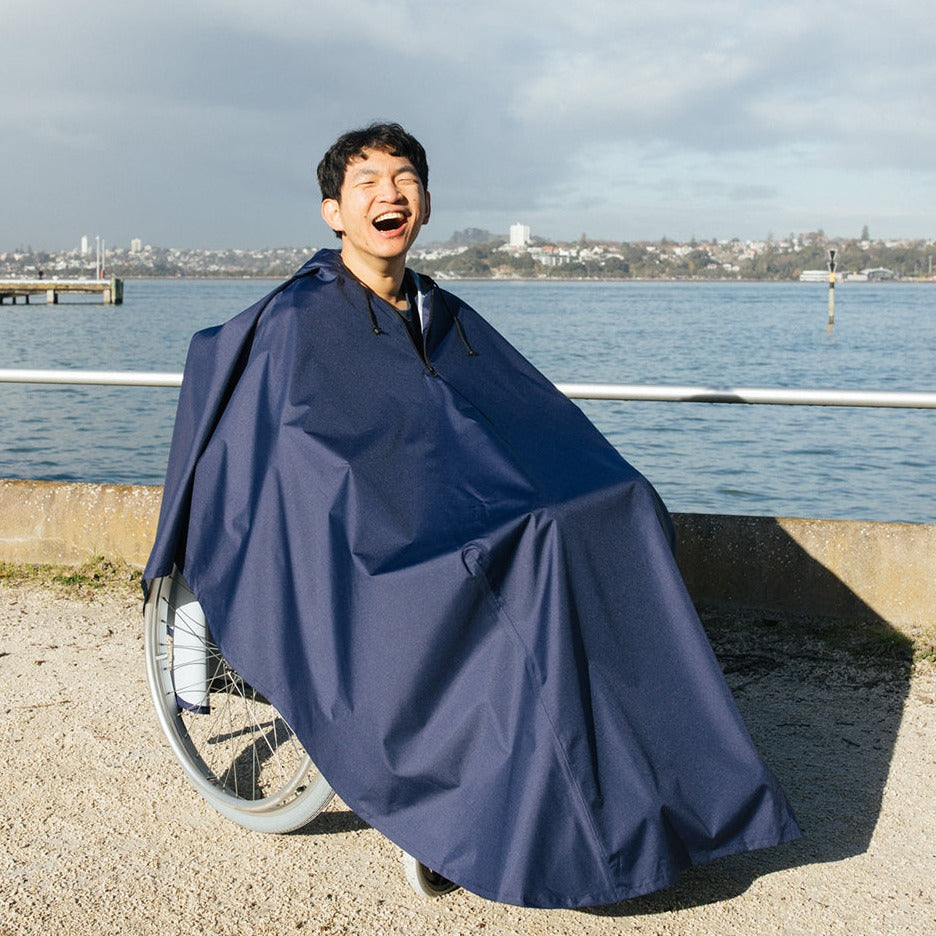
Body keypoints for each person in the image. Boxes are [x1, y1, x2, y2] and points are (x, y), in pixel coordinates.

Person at [145, 122, 800, 908]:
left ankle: (675, 789)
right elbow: (299, 456)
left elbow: (519, 418)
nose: (390, 194)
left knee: (615, 512)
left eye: (405, 180)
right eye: (369, 184)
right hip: (358, 529)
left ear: (424, 203)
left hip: (448, 502)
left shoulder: (441, 312)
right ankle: (478, 818)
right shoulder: (298, 321)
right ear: (333, 212)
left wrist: (593, 484)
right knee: (521, 554)